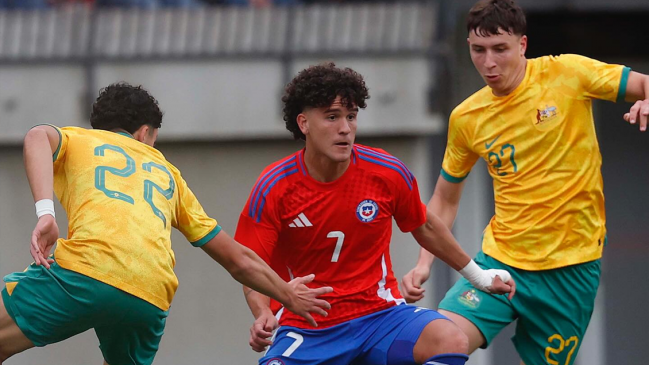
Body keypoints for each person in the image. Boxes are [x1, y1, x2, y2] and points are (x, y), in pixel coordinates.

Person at [0, 83, 333, 365]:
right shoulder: (169, 174)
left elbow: (36, 137)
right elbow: (237, 259)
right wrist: (287, 294)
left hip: (85, 273)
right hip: (149, 297)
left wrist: (46, 214)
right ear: (146, 133)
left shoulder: (83, 140)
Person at [400, 1, 649, 365]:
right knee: (438, 342)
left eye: (500, 49)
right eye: (478, 50)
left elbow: (644, 83)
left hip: (571, 271)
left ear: (522, 45)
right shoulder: (467, 117)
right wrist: (425, 263)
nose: (489, 62)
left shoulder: (568, 73)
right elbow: (444, 199)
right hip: (500, 263)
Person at [234, 62, 516, 365]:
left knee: (450, 339)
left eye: (351, 116)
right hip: (308, 325)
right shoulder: (274, 187)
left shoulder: (386, 172)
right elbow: (250, 264)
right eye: (332, 117)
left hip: (380, 317)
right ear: (303, 123)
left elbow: (426, 227)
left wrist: (480, 277)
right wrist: (263, 312)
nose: (345, 128)